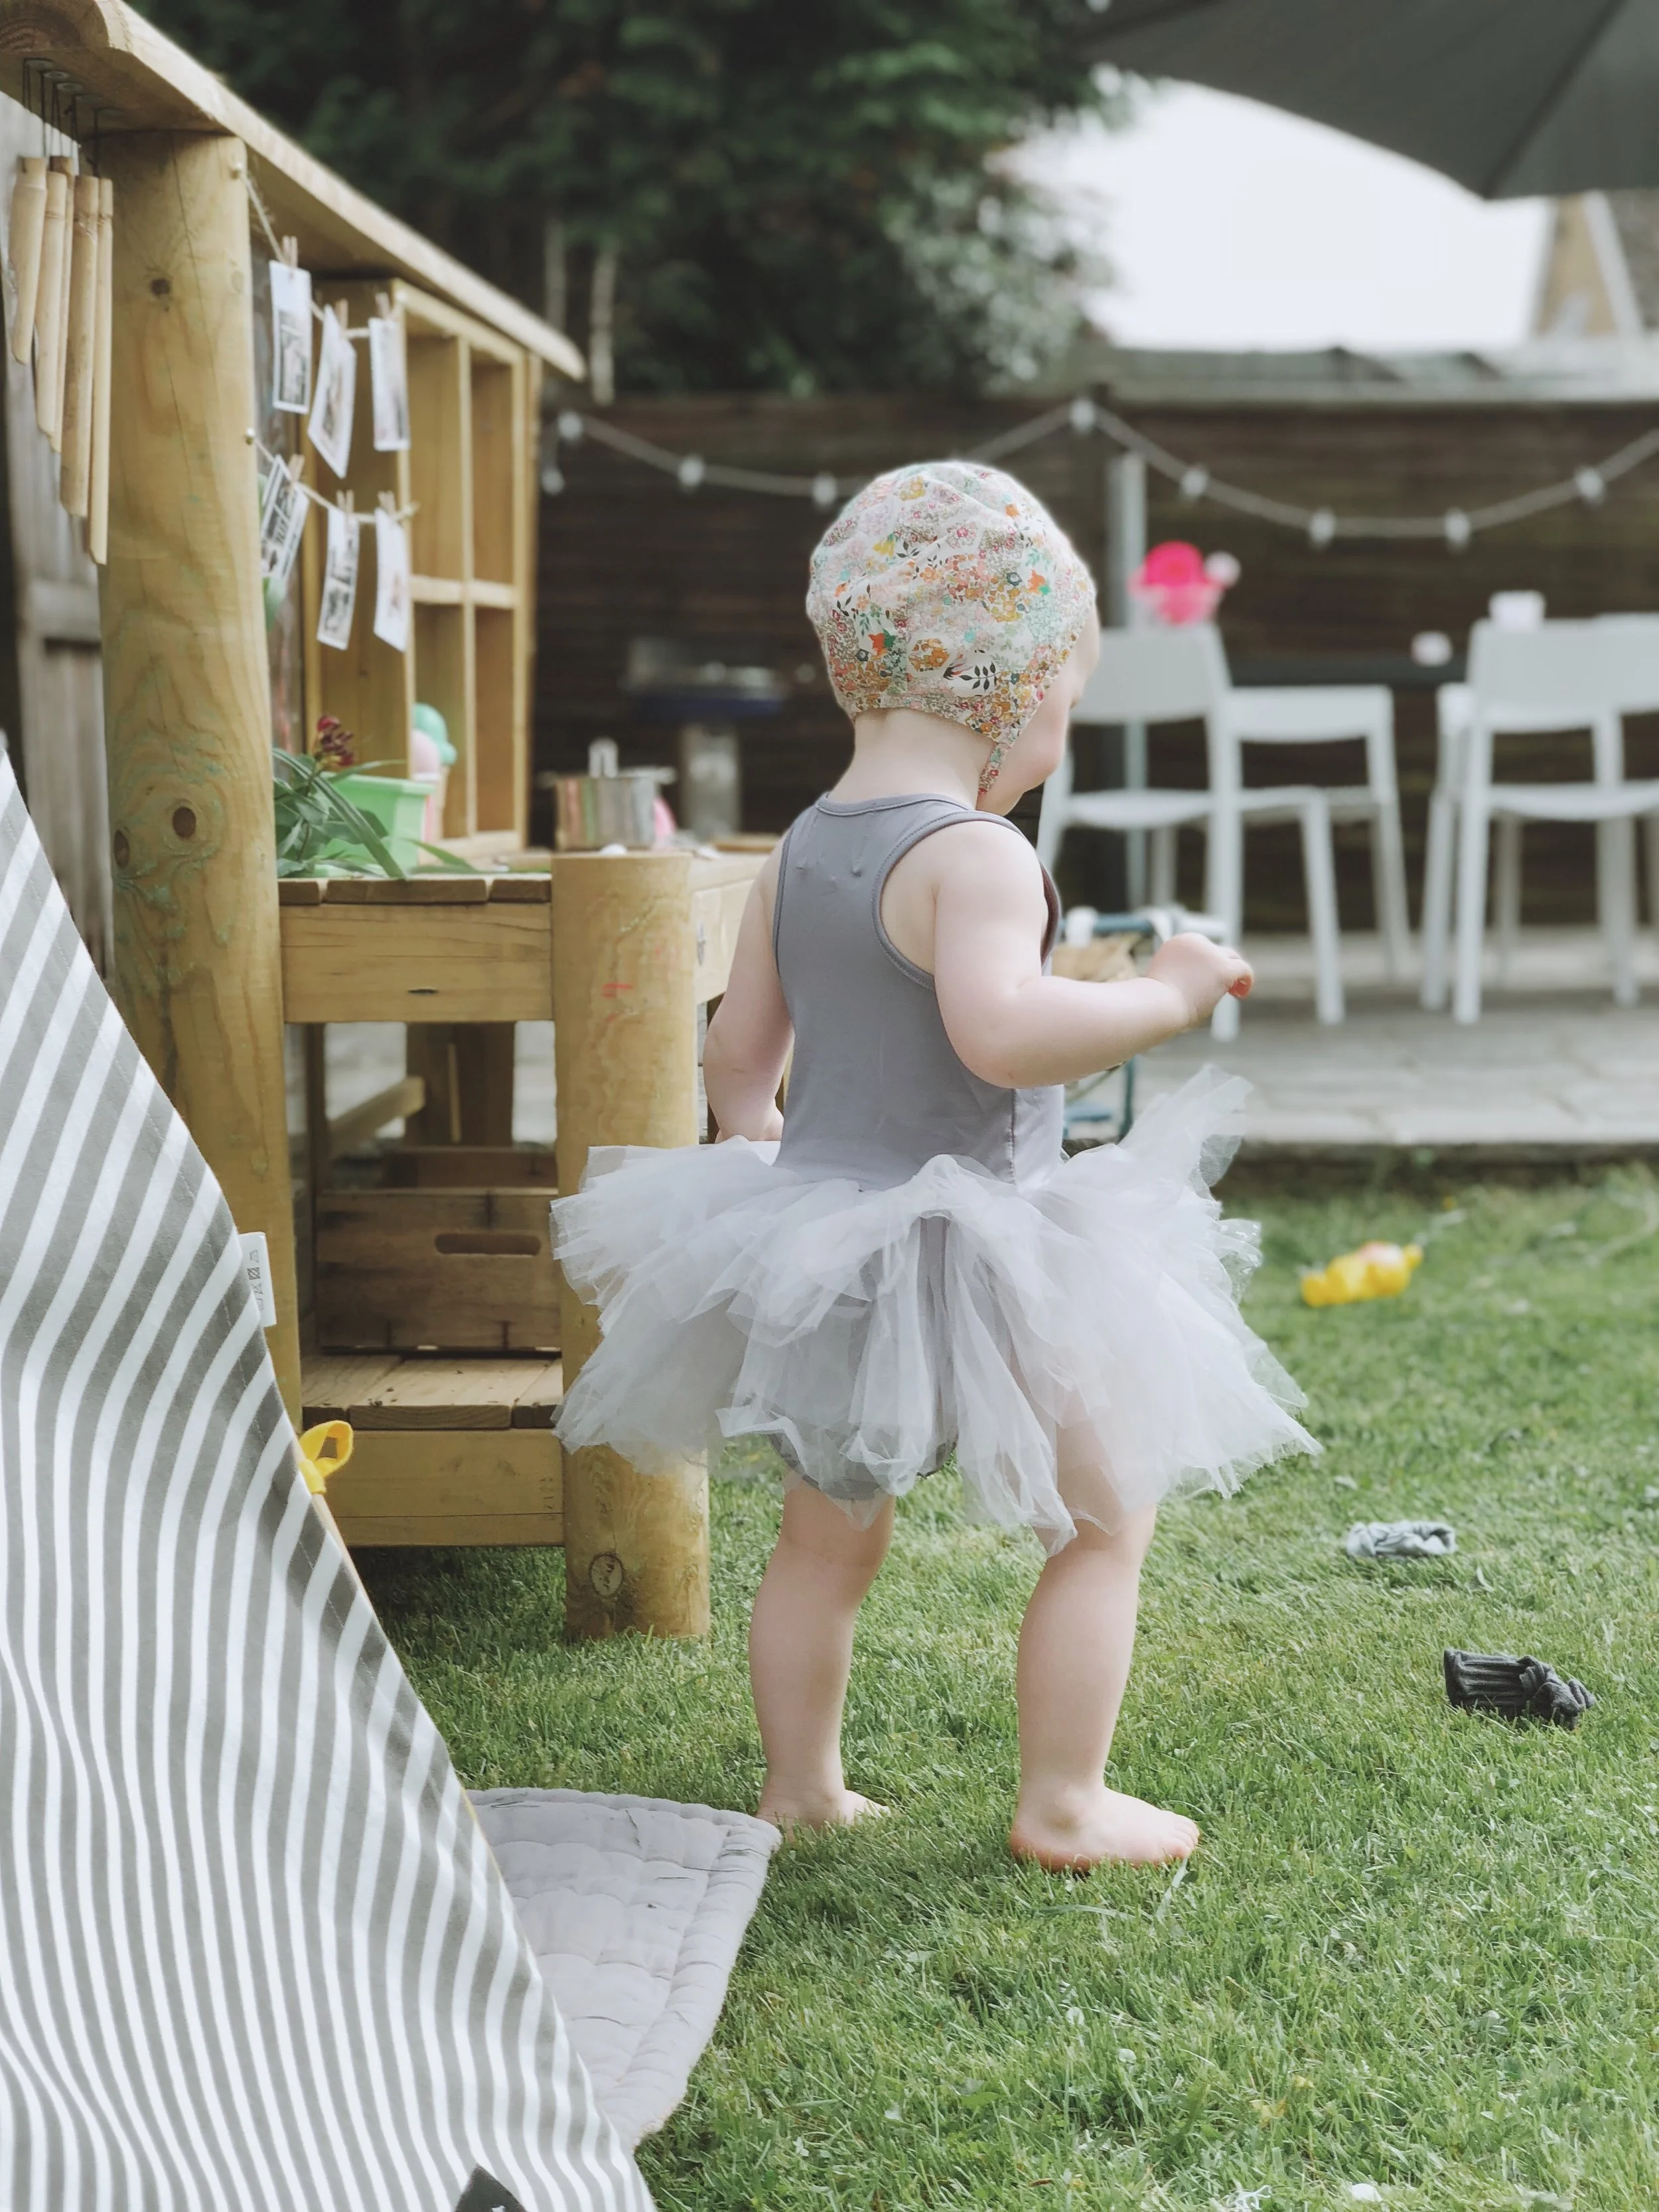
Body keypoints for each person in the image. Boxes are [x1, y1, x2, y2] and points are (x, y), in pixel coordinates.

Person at [553, 462, 1317, 1870]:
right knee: (1099, 1521)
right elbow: (1005, 1033)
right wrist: (1166, 990)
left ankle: (799, 1788)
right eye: (1064, 700)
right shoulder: (980, 854)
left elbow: (736, 1054)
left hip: (833, 1244)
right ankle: (1063, 1802)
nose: (1058, 728)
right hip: (996, 1247)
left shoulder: (800, 848)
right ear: (1009, 686)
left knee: (823, 1543)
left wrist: (761, 1146)